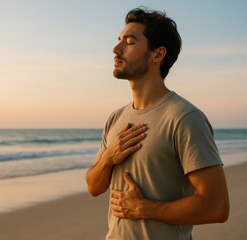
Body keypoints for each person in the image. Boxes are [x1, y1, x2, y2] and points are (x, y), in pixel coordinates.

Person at [86, 7, 229, 240]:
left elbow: (217, 206)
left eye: (129, 42)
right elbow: (94, 187)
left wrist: (145, 208)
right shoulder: (115, 118)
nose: (116, 49)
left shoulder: (184, 117)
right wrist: (108, 158)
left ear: (157, 55)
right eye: (119, 40)